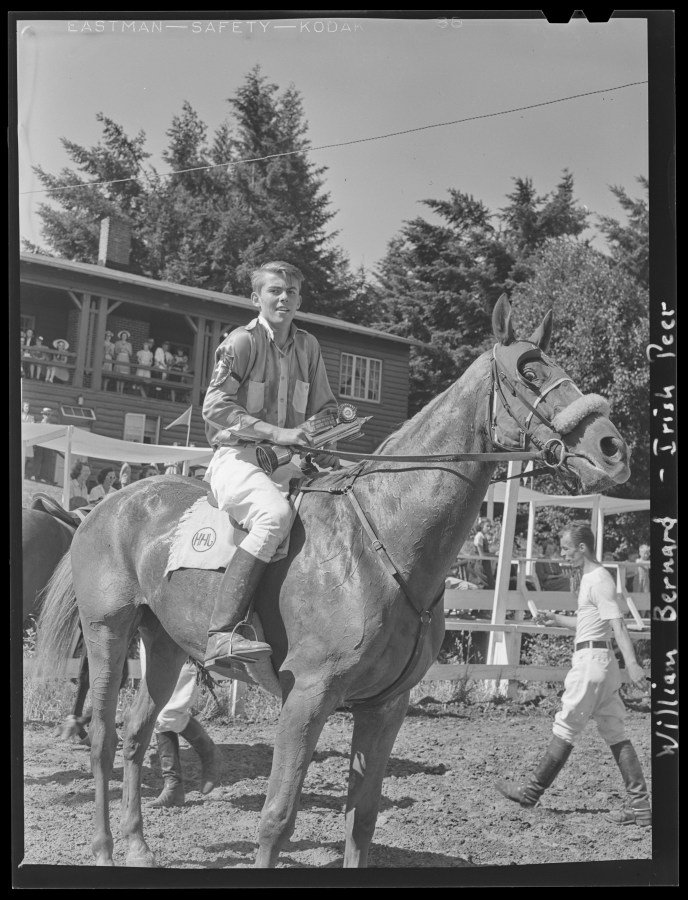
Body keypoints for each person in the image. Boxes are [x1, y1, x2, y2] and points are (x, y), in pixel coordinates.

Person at [201, 260, 339, 673]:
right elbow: (214, 407)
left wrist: (325, 437)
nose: (284, 298)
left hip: (292, 461)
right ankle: (221, 633)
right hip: (237, 457)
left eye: (291, 292)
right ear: (256, 297)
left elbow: (326, 408)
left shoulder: (309, 346)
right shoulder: (241, 342)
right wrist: (279, 433)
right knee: (274, 514)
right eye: (275, 290)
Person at [495, 523, 651, 827]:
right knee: (616, 732)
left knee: (565, 727)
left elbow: (617, 624)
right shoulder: (592, 581)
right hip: (600, 663)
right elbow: (588, 621)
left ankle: (531, 791)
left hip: (591, 663)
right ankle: (640, 805)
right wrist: (556, 619)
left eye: (566, 548)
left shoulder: (598, 580)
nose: (563, 554)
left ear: (582, 548)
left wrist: (632, 664)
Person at [139, 645, 218, 808]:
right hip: (150, 634)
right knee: (157, 711)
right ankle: (173, 786)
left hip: (181, 636)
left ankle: (209, 754)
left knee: (168, 712)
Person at [473, 519, 495, 589]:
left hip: (486, 565)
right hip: (481, 565)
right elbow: (481, 554)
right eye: (487, 526)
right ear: (482, 526)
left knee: (491, 586)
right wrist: (494, 555)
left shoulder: (483, 536)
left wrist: (494, 554)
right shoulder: (479, 536)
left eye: (490, 526)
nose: (489, 528)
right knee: (486, 586)